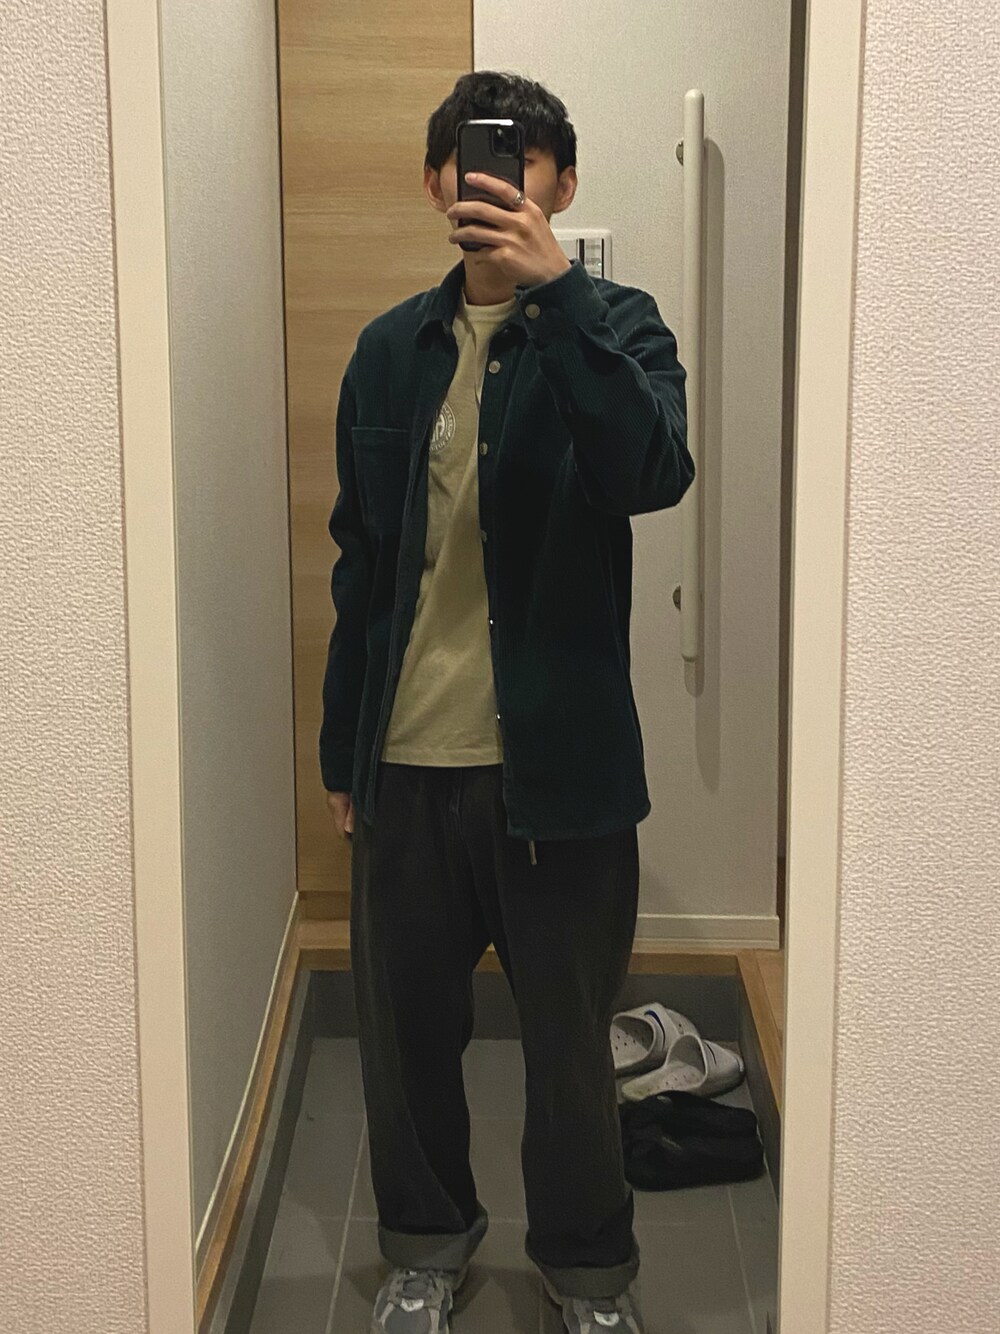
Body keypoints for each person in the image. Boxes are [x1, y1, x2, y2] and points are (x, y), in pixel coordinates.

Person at [320, 69, 693, 1334]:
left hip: (563, 773)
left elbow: (649, 471)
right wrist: (340, 749)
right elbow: (362, 564)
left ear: (562, 184)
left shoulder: (619, 325)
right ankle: (426, 1248)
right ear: (436, 181)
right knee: (406, 1040)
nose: (497, 177)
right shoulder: (387, 352)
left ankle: (587, 1274)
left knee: (570, 1053)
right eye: (475, 157)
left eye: (524, 159)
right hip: (405, 760)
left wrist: (559, 296)